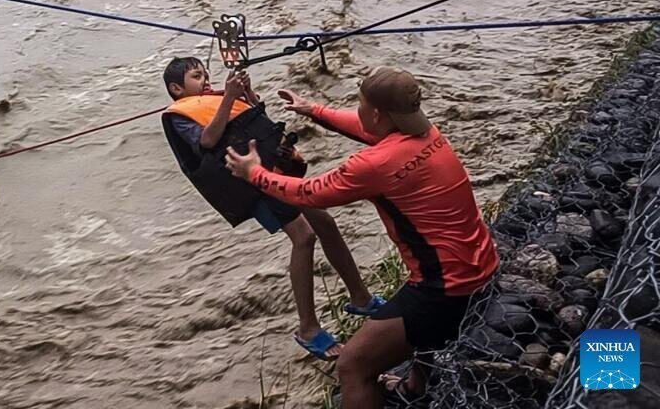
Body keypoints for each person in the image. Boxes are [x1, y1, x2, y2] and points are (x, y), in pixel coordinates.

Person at [224, 67, 499, 408]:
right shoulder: (427, 134)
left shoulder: (374, 164)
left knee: (353, 365)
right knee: (413, 315)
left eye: (361, 104)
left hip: (445, 290)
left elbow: (309, 193)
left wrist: (255, 174)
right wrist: (314, 110)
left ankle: (404, 383)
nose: (358, 111)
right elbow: (366, 129)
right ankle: (416, 387)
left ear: (378, 114)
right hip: (484, 267)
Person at [161, 56, 384, 361]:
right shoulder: (180, 115)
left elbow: (256, 118)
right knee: (303, 237)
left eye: (206, 75)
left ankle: (361, 297)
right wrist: (227, 98)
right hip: (249, 181)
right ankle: (308, 328)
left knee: (325, 223)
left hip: (273, 170)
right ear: (176, 89)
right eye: (197, 77)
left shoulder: (214, 100)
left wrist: (247, 95)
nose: (206, 81)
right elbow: (208, 139)